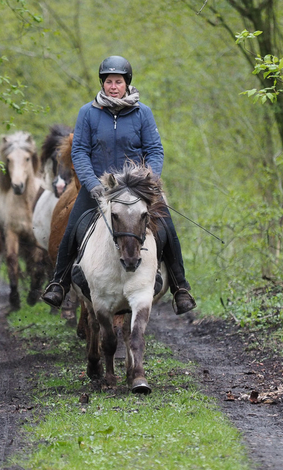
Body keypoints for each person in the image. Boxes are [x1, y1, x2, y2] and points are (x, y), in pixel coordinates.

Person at [41, 55, 196, 315]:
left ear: (127, 83)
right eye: (109, 81)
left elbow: (155, 150)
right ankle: (59, 282)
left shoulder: (142, 113)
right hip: (100, 188)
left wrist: (148, 181)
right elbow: (79, 152)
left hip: (137, 189)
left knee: (167, 227)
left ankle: (180, 288)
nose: (114, 86)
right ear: (102, 84)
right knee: (72, 226)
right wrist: (92, 184)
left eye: (118, 81)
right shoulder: (88, 113)